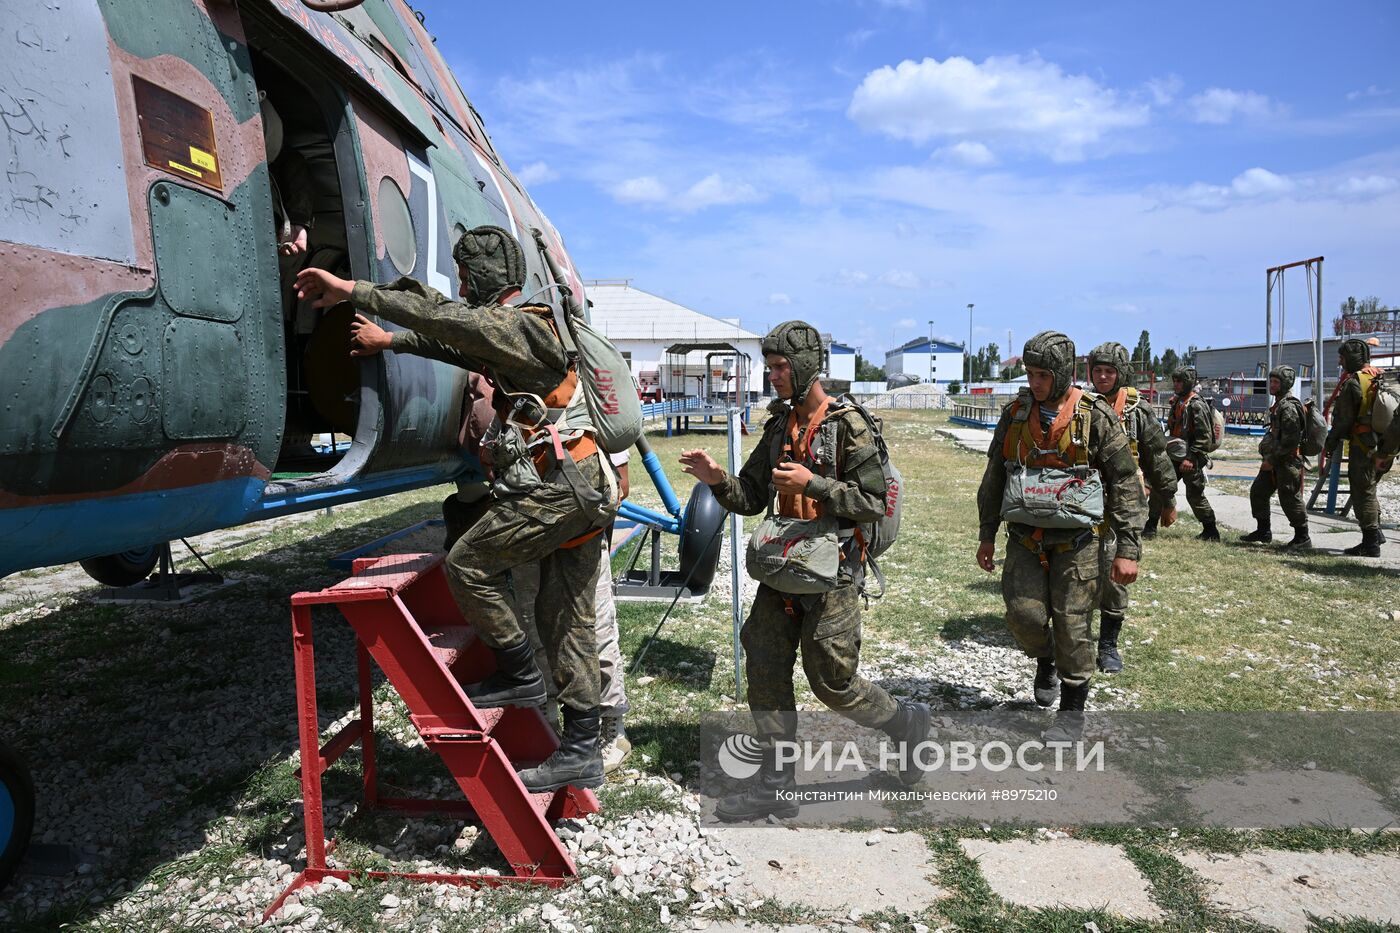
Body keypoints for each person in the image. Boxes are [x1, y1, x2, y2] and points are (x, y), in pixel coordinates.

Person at [296, 225, 619, 793]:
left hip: (564, 485)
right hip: (582, 483)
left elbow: (449, 322)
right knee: (563, 618)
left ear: (489, 277)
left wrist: (350, 289)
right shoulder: (519, 330)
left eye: (469, 274)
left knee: (468, 565)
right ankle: (583, 749)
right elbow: (453, 340)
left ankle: (520, 676)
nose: (463, 284)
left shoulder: (519, 325)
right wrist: (390, 343)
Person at [679, 321, 930, 821]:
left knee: (832, 682)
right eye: (770, 367)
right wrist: (717, 480)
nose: (773, 376)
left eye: (780, 368)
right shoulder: (780, 426)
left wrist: (813, 483)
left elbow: (875, 502)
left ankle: (906, 724)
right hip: (785, 568)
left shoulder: (849, 425)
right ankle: (776, 784)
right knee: (765, 665)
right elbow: (752, 495)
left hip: (834, 573)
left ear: (806, 367)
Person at [975, 332, 1145, 739]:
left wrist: (1128, 548)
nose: (1034, 383)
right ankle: (1045, 658)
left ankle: (1071, 714)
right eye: (1030, 374)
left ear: (1062, 373)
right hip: (1025, 539)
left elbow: (1124, 481)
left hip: (1079, 543)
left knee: (1074, 625)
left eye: (1042, 375)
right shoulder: (1016, 413)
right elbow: (995, 475)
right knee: (1023, 616)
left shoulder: (1095, 415)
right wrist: (986, 534)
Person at [1086, 342, 1177, 673]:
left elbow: (1158, 456)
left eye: (1110, 371)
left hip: (1125, 505)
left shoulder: (1138, 411)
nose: (1103, 376)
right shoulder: (1081, 407)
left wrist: (1167, 499)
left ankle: (1108, 643)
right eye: (1097, 370)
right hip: (1083, 504)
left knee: (1115, 572)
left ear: (1121, 373)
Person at [1322, 338, 1390, 557]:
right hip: (1385, 445)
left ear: (1352, 358)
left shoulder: (1354, 383)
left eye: (1342, 358)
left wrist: (1330, 443)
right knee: (1370, 489)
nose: (1341, 363)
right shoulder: (1379, 375)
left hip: (1363, 446)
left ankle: (1371, 542)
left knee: (1362, 492)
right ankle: (1375, 534)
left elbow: (1342, 420)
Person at [1241, 366, 1312, 550]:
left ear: (1285, 384)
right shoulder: (1279, 404)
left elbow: (1291, 440)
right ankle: (1263, 531)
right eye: (1270, 381)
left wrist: (1271, 460)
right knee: (1258, 492)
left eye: (1276, 382)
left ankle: (1302, 537)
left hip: (1286, 461)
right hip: (1275, 460)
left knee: (1289, 497)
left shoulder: (1288, 407)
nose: (1271, 385)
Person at [1164, 367, 1220, 540]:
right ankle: (1150, 526)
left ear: (1188, 382)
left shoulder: (1196, 405)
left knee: (1194, 495)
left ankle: (1211, 531)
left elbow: (1204, 437)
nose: (1176, 384)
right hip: (1175, 454)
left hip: (1190, 457)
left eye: (1180, 381)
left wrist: (1191, 458)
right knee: (1162, 487)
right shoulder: (1178, 402)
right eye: (1175, 381)